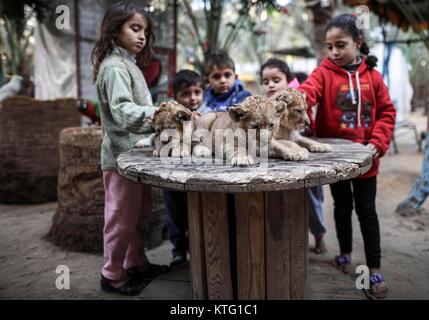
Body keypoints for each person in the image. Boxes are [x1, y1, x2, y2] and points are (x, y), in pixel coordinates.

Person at [298, 13, 396, 299]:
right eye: (329, 47)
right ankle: (344, 254)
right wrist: (295, 99)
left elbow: (387, 113)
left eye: (340, 45)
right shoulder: (323, 72)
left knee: (367, 212)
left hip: (367, 160)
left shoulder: (374, 77)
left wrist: (377, 142)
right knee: (341, 207)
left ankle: (374, 269)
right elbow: (308, 91)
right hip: (336, 161)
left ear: (358, 42)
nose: (334, 52)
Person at [91, 1, 168, 296]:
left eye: (144, 31)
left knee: (137, 215)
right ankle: (111, 274)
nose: (142, 36)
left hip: (134, 158)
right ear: (114, 30)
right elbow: (123, 110)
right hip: (119, 159)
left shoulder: (129, 64)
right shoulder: (113, 68)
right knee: (120, 219)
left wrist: (158, 112)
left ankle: (134, 263)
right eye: (135, 28)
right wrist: (158, 115)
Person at [260, 58, 327, 254]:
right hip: (279, 163)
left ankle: (319, 234)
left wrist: (308, 143)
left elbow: (300, 131)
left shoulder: (296, 97)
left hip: (302, 162)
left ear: (288, 80)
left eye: (276, 79)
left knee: (313, 198)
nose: (270, 85)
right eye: (266, 82)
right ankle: (283, 242)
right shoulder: (266, 106)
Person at [164, 69, 205, 267]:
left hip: (199, 176)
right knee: (175, 214)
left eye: (197, 92)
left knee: (199, 215)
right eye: (186, 94)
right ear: (175, 96)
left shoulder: (207, 114)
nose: (192, 98)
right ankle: (178, 251)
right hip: (172, 175)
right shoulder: (169, 116)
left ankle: (199, 251)